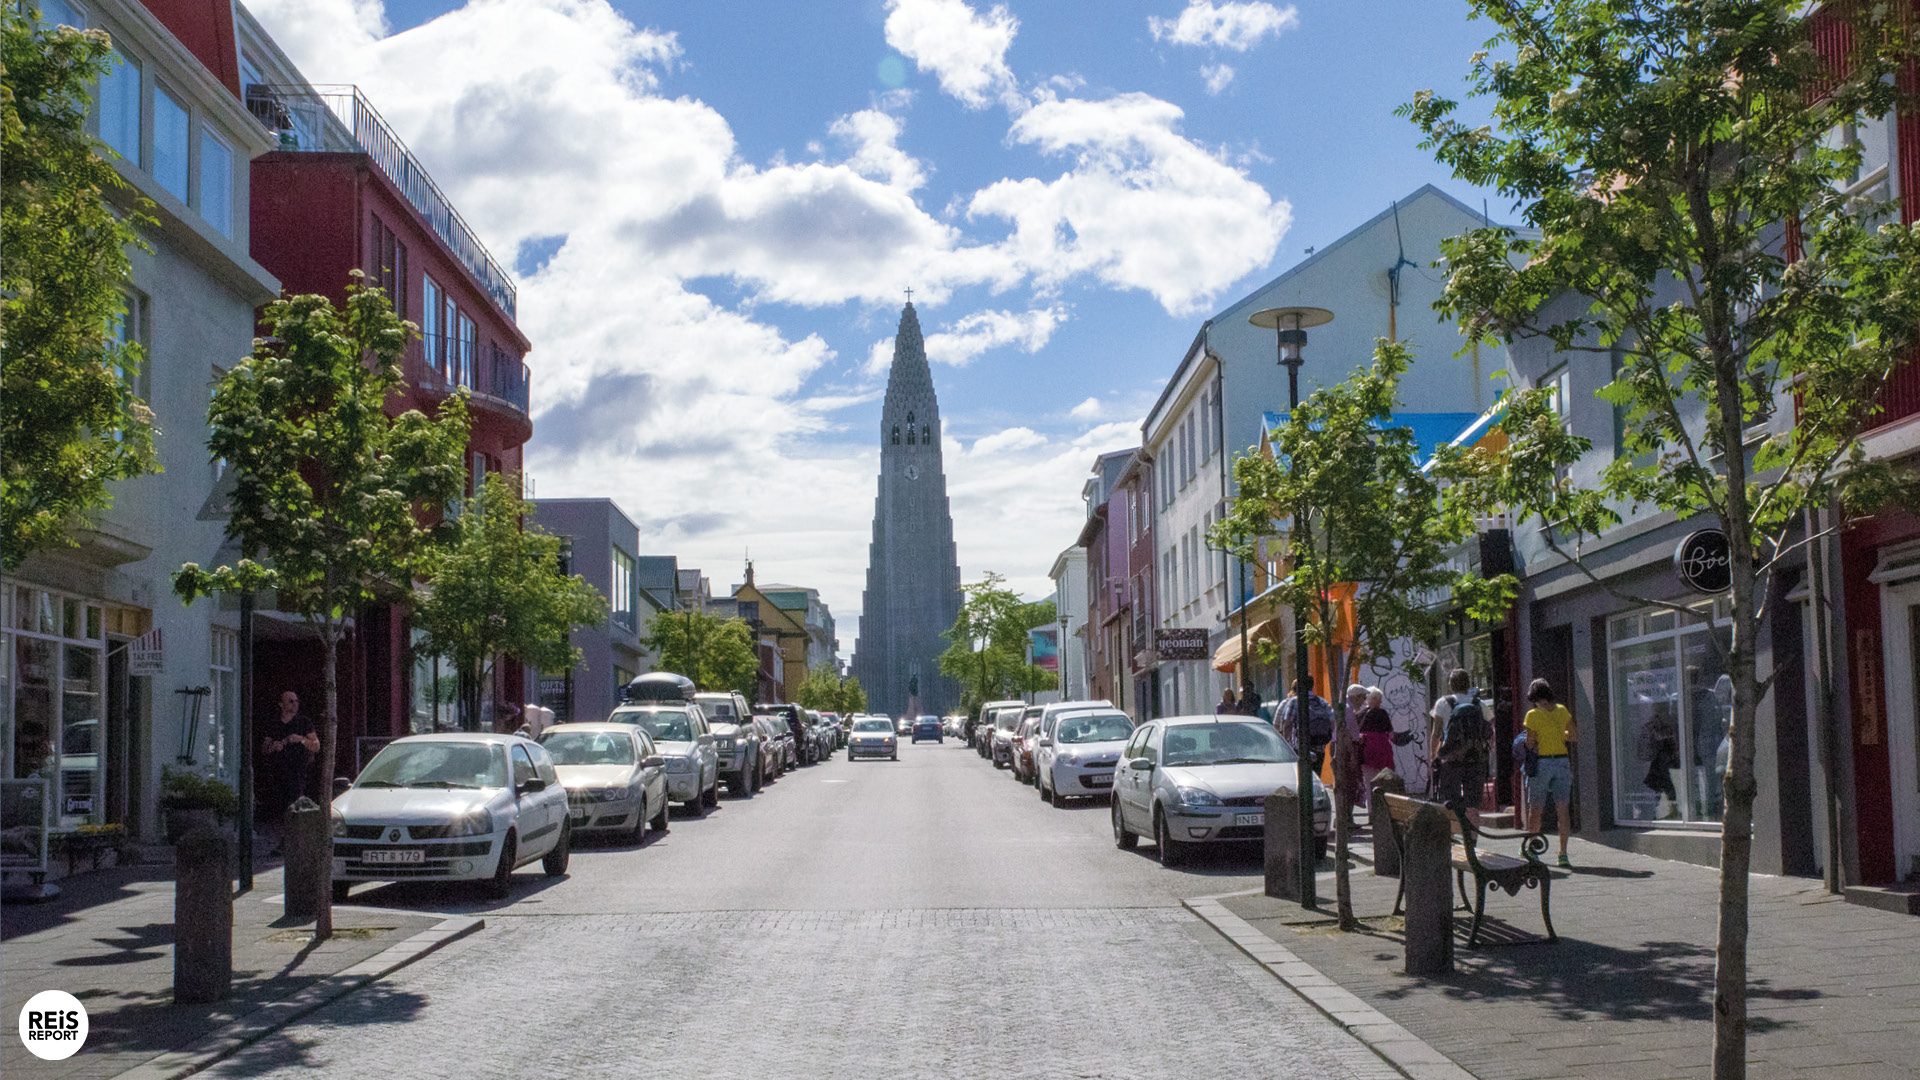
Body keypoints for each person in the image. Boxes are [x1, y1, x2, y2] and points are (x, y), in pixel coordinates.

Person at [1522, 678, 1575, 867]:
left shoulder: (1533, 715)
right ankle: (1563, 854)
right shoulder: (1562, 710)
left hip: (1542, 763)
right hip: (1562, 761)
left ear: (1535, 698)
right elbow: (1573, 735)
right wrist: (1560, 735)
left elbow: (1529, 743)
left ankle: (1532, 850)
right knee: (1563, 809)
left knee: (1536, 808)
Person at [260, 690, 319, 856]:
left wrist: (301, 739)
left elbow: (316, 745)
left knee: (295, 804)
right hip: (278, 771)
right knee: (282, 807)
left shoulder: (303, 723)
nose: (295, 704)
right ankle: (286, 840)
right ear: (282, 705)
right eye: (291, 701)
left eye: (296, 701)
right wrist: (274, 747)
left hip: (298, 771)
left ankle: (293, 841)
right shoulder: (274, 723)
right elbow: (264, 748)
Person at [1428, 668, 1492, 807]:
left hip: (1451, 758)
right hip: (1475, 758)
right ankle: (1473, 827)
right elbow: (1490, 730)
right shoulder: (1479, 703)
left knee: (1451, 802)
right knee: (1473, 803)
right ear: (1468, 684)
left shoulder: (1443, 703)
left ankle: (1457, 828)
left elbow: (1436, 733)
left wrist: (1433, 755)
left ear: (1451, 685)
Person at [1276, 675, 1334, 774]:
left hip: (1300, 748)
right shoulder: (1321, 702)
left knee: (1300, 778)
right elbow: (1332, 721)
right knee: (1316, 777)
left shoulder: (1294, 701)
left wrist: (1286, 744)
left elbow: (1287, 723)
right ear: (1312, 686)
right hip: (1319, 747)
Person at [1358, 687, 1397, 792]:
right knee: (1384, 782)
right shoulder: (1382, 713)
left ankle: (1370, 807)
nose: (1381, 701)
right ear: (1374, 699)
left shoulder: (1361, 714)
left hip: (1366, 753)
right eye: (1379, 698)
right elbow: (1391, 734)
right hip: (1382, 752)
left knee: (1368, 782)